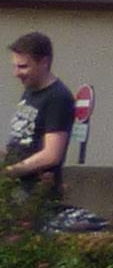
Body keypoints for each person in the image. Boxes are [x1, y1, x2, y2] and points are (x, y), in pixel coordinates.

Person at [4, 28, 76, 218]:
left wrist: (10, 171)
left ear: (44, 62)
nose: (16, 73)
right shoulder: (30, 92)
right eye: (15, 66)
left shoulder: (57, 98)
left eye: (23, 67)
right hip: (15, 190)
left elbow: (52, 154)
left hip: (34, 195)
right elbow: (25, 139)